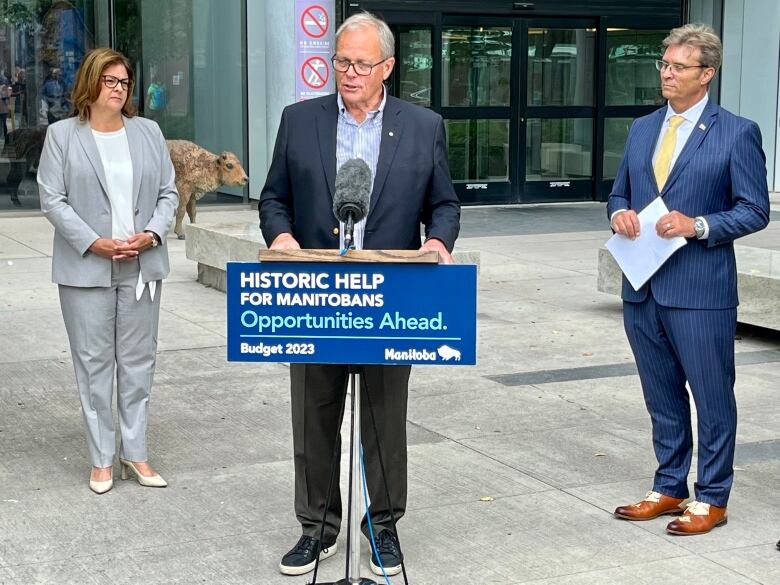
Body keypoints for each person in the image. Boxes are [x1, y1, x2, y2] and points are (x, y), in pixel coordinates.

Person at [259, 11, 460, 577]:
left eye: (361, 64)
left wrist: (438, 245)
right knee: (314, 416)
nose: (347, 73)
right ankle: (317, 528)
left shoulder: (423, 126)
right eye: (341, 61)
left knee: (383, 419)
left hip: (391, 297)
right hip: (313, 295)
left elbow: (443, 204)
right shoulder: (299, 121)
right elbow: (273, 197)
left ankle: (383, 527)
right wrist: (282, 236)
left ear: (388, 67)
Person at [608, 24, 769, 535]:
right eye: (664, 64)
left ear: (708, 75)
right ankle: (670, 484)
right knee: (662, 395)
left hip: (700, 291)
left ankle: (713, 496)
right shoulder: (641, 128)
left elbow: (754, 210)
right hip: (643, 288)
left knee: (712, 395)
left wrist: (698, 224)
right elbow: (617, 194)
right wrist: (619, 215)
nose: (667, 73)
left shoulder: (736, 131)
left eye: (678, 67)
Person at [37, 48, 178, 494]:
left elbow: (168, 194)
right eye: (110, 81)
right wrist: (92, 242)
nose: (119, 89)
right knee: (94, 363)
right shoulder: (62, 136)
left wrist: (153, 235)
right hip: (86, 268)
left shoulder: (148, 132)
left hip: (141, 266)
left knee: (138, 363)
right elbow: (52, 199)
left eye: (125, 82)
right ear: (91, 83)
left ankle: (134, 453)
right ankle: (101, 458)